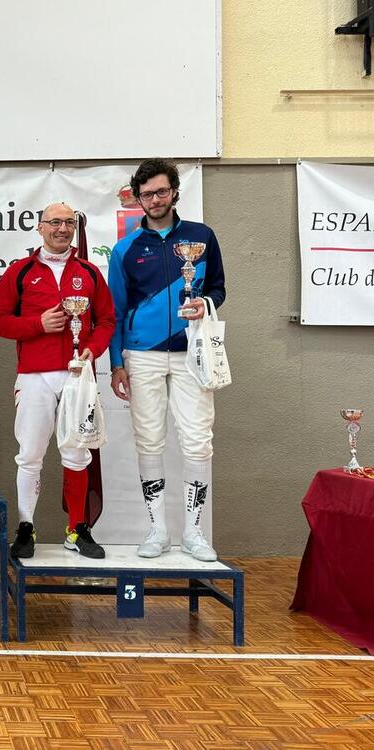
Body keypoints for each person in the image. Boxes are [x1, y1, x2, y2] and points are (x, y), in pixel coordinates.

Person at [107, 159, 226, 562]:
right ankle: (157, 529)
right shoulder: (125, 250)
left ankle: (194, 533)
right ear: (137, 198)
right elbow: (116, 311)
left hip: (193, 352)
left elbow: (218, 289)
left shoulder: (202, 237)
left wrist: (205, 304)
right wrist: (116, 363)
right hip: (141, 357)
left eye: (161, 192)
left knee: (197, 440)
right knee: (149, 440)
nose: (155, 200)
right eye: (146, 194)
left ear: (175, 191)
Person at [0, 203, 116, 559]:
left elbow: (106, 320)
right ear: (40, 227)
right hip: (34, 376)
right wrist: (37, 325)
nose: (62, 228)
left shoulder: (89, 272)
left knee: (77, 453)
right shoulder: (20, 271)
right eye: (55, 222)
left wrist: (92, 349)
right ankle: (26, 527)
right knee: (30, 454)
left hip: (78, 376)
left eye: (69, 222)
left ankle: (77, 529)